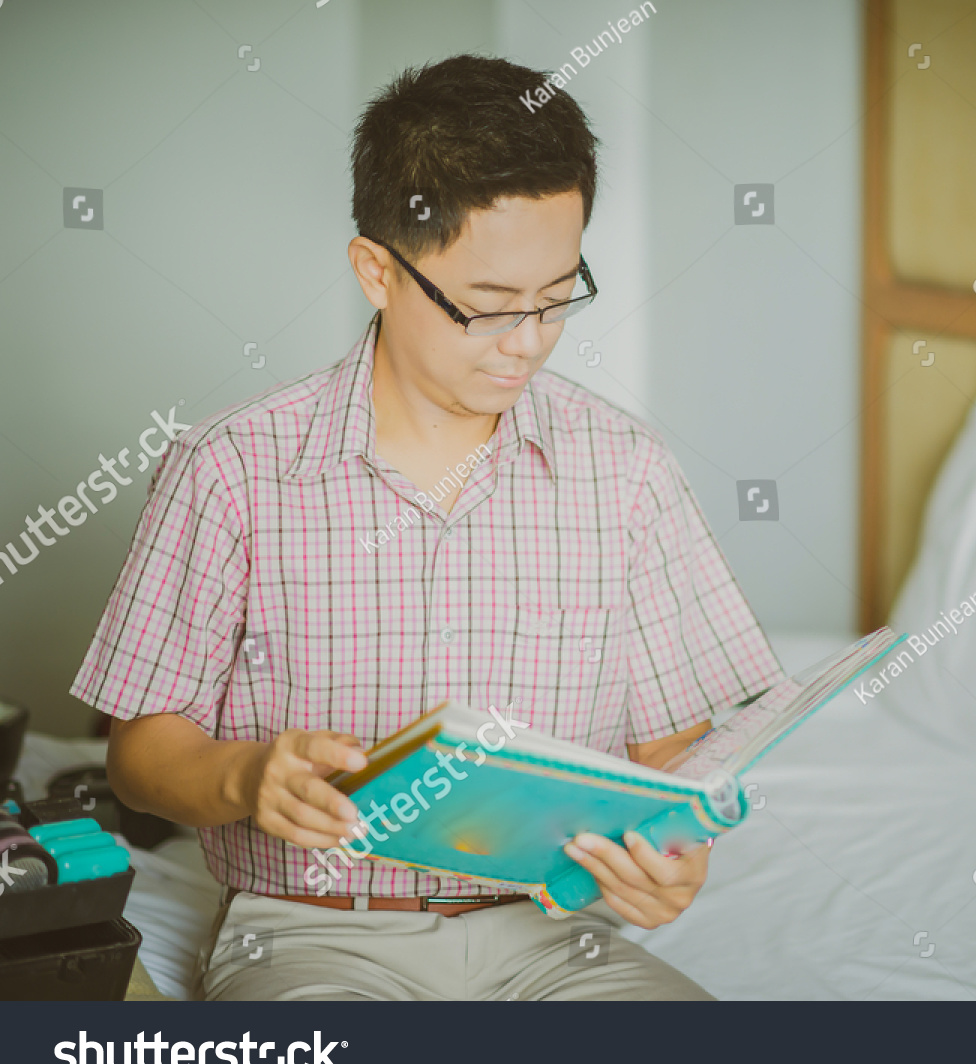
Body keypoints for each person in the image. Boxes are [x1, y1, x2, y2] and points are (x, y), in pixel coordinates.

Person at [70, 54, 782, 1001]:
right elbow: (139, 755)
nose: (527, 339)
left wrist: (674, 852)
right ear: (377, 269)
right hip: (313, 937)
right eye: (486, 308)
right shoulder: (233, 466)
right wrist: (248, 779)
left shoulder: (626, 469)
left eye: (558, 295)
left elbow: (672, 761)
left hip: (553, 935)